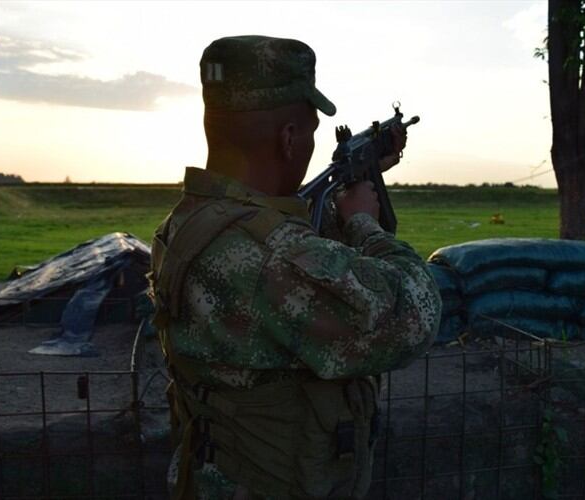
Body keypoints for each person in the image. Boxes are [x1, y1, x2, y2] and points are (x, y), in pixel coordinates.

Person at [148, 35, 441, 500]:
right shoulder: (272, 256)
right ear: (288, 138)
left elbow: (290, 262)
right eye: (308, 132)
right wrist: (365, 222)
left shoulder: (187, 222)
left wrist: (359, 179)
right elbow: (411, 314)